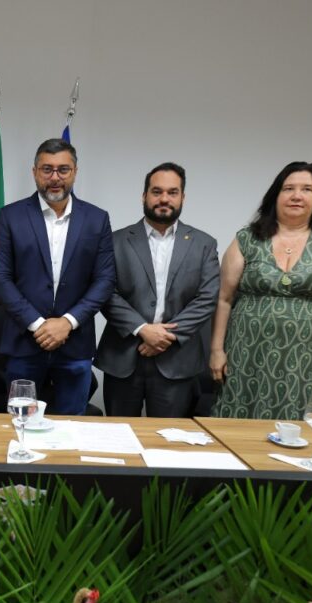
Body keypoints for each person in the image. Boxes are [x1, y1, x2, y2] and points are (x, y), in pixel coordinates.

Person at [210, 161, 312, 420]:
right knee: (237, 419)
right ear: (275, 195)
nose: (297, 195)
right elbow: (224, 299)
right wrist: (217, 350)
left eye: (307, 189)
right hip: (245, 351)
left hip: (305, 358)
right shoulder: (247, 238)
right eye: (288, 188)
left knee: (295, 422)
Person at [0, 138, 115, 415]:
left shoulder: (96, 219)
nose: (55, 177)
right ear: (34, 172)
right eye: (47, 169)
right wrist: (38, 324)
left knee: (73, 425)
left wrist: (67, 322)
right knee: (21, 422)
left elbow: (105, 280)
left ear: (75, 172)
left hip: (75, 343)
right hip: (24, 342)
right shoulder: (11, 216)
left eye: (63, 169)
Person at [96, 162, 220, 417]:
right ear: (144, 196)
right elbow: (105, 292)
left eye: (172, 192)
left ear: (183, 197)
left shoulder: (204, 244)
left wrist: (165, 336)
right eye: (157, 191)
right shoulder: (115, 241)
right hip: (123, 356)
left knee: (168, 436)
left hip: (177, 360)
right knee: (118, 435)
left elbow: (207, 298)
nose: (164, 199)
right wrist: (142, 329)